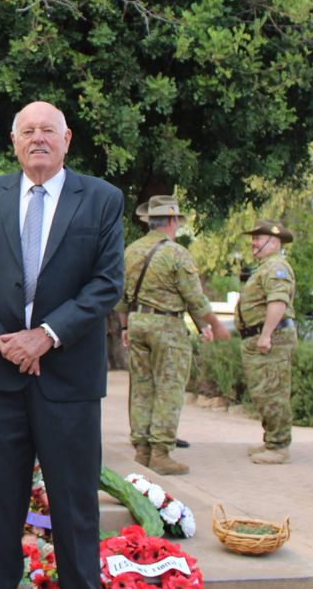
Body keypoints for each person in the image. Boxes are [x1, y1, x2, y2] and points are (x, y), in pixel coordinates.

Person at [0, 101, 123, 589]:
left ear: (68, 140)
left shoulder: (102, 199)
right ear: (14, 141)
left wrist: (45, 336)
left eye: (49, 130)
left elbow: (106, 283)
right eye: (28, 130)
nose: (38, 138)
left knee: (74, 511)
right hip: (0, 376)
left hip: (69, 382)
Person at [116, 195, 230, 475]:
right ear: (171, 220)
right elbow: (194, 297)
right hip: (167, 327)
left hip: (138, 321)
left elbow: (120, 297)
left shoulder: (131, 250)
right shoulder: (176, 253)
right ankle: (161, 453)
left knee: (141, 388)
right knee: (168, 388)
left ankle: (141, 450)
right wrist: (215, 325)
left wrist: (125, 327)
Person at [235, 219, 297, 464]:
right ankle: (271, 440)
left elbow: (278, 302)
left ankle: (279, 447)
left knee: (273, 391)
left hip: (272, 339)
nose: (253, 242)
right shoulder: (265, 267)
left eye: (258, 238)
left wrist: (266, 334)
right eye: (253, 238)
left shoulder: (276, 267)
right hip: (261, 338)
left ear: (274, 242)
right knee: (264, 392)